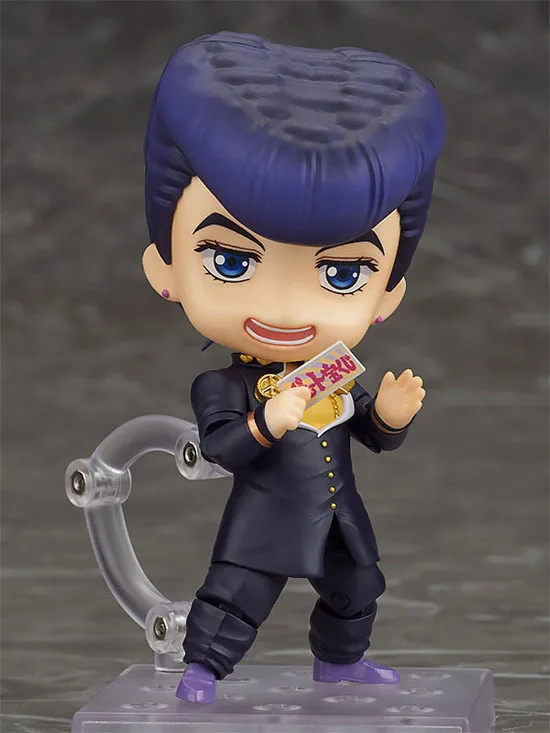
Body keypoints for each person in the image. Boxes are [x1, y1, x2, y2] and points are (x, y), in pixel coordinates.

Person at [141, 31, 445, 703]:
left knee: (357, 588)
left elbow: (363, 429)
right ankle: (202, 670)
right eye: (231, 261)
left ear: (388, 292)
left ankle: (341, 663)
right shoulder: (221, 384)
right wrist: (267, 421)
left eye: (342, 273)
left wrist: (388, 417)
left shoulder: (334, 369)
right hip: (264, 521)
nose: (284, 308)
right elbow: (221, 448)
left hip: (338, 514)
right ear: (166, 267)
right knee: (236, 598)